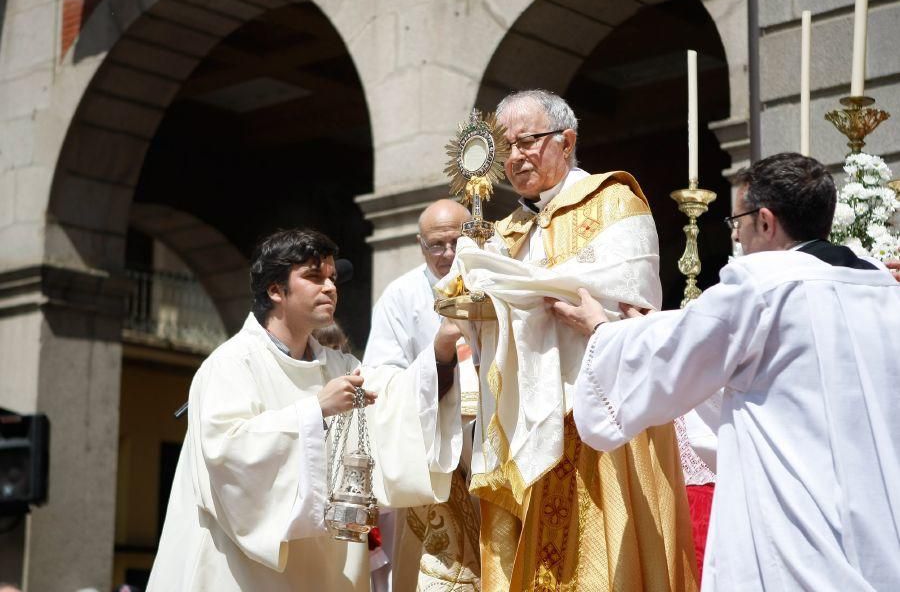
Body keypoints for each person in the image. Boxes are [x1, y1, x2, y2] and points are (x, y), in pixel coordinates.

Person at [550, 153, 900, 590]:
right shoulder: (881, 288)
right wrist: (649, 326)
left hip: (797, 530)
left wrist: (603, 331)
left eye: (738, 221)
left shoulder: (761, 283)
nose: (738, 234)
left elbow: (675, 359)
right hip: (877, 527)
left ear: (766, 221)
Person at [442, 89, 697, 591]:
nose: (516, 156)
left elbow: (629, 288)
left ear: (567, 140)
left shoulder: (614, 200)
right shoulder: (502, 232)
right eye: (506, 147)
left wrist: (518, 288)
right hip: (524, 422)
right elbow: (486, 308)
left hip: (599, 411)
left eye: (529, 141)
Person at [147, 229, 464, 592]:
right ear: (275, 290)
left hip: (327, 569)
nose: (330, 287)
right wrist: (315, 410)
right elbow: (228, 454)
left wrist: (441, 351)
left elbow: (400, 404)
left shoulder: (340, 366)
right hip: (242, 573)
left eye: (332, 277)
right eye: (314, 277)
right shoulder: (231, 365)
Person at [363, 198, 481, 592]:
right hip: (432, 456)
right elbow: (380, 382)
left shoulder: (496, 280)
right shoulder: (400, 297)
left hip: (495, 448)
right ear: (420, 244)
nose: (448, 254)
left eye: (458, 241)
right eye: (437, 244)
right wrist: (439, 355)